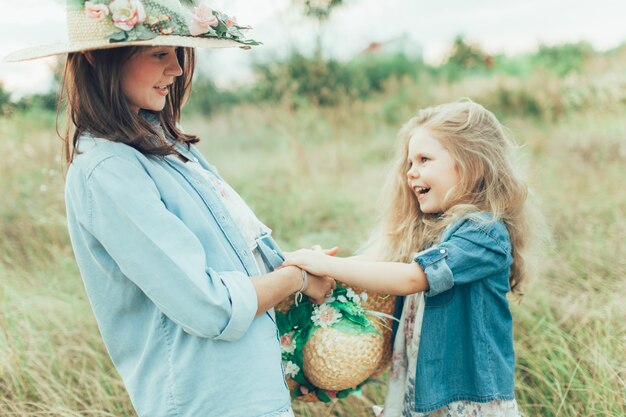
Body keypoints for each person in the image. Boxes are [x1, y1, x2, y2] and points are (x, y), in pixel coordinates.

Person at [3, 1, 335, 417]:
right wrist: (297, 277)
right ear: (97, 57)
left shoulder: (167, 149)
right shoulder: (108, 171)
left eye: (179, 53)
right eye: (160, 52)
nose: (177, 68)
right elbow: (209, 305)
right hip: (208, 400)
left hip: (248, 388)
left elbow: (240, 262)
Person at [283, 100, 538, 417]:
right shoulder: (435, 233)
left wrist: (330, 266)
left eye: (424, 159)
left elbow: (412, 277)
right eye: (409, 163)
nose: (411, 173)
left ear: (472, 164)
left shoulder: (484, 234)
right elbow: (386, 268)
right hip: (424, 392)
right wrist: (318, 263)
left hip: (469, 400)